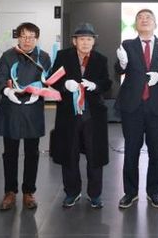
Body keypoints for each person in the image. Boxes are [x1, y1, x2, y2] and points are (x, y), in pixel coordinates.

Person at [114, 9, 158, 209]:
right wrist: (122, 63)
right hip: (132, 106)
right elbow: (118, 69)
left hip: (157, 107)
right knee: (131, 151)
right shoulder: (127, 45)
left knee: (156, 151)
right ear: (135, 24)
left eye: (148, 17)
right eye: (140, 18)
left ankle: (154, 192)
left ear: (155, 23)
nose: (144, 20)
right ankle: (130, 192)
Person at [49, 23, 112, 209]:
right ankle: (72, 192)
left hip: (93, 114)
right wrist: (64, 85)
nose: (85, 42)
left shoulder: (100, 59)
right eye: (82, 39)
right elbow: (53, 79)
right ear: (74, 41)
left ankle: (95, 195)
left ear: (94, 42)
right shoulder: (63, 56)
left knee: (95, 155)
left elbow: (107, 82)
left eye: (89, 39)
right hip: (69, 114)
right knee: (69, 153)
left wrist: (96, 86)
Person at [0, 22, 51, 211]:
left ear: (37, 38)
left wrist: (40, 91)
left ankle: (29, 192)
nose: (27, 40)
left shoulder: (43, 57)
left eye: (31, 37)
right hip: (11, 109)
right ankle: (10, 192)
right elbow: (0, 78)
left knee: (32, 153)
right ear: (18, 37)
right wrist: (6, 91)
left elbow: (48, 80)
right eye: (24, 36)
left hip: (33, 110)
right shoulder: (7, 56)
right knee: (9, 153)